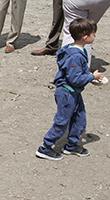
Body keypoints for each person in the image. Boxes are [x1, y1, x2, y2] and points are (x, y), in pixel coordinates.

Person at [36, 18, 104, 160]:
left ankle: (71, 145)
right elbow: (74, 79)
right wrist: (92, 78)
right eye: (94, 34)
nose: (95, 37)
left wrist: (88, 74)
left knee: (80, 118)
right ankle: (45, 147)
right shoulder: (75, 56)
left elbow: (75, 74)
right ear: (86, 37)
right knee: (62, 121)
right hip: (67, 94)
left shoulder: (74, 50)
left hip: (74, 93)